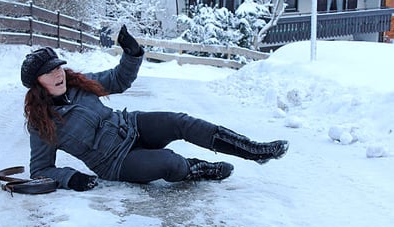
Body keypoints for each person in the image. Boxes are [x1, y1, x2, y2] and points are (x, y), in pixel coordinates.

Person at [21, 25, 289, 192]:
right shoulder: (41, 123)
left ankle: (253, 150)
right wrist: (71, 178)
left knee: (180, 121)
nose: (58, 75)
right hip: (115, 162)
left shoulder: (78, 84)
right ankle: (196, 169)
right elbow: (41, 169)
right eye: (49, 73)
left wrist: (132, 53)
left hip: (131, 126)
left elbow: (118, 79)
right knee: (169, 162)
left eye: (58, 67)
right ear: (37, 84)